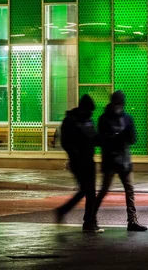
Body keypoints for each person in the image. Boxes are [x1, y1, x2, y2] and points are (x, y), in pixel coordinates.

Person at [95, 90, 147, 232]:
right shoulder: (104, 119)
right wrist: (115, 138)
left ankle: (132, 221)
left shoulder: (127, 118)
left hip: (124, 160)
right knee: (104, 190)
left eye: (120, 104)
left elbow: (132, 139)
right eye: (116, 103)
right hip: (111, 160)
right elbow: (101, 140)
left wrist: (126, 135)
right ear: (112, 103)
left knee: (130, 190)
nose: (118, 106)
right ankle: (91, 217)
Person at [56, 94, 103, 233]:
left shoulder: (87, 120)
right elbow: (66, 142)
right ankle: (84, 219)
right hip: (78, 161)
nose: (90, 113)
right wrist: (74, 154)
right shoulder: (71, 120)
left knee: (89, 192)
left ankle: (89, 221)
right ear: (84, 108)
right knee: (86, 191)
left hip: (89, 160)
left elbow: (93, 138)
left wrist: (103, 139)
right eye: (89, 110)